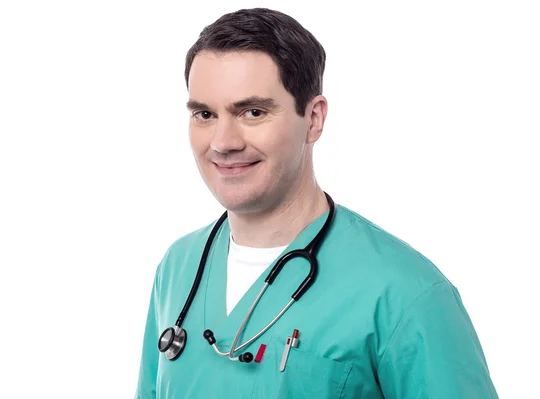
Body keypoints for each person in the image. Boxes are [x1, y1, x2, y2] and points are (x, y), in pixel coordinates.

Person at [135, 7, 499, 399]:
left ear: (313, 118)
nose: (224, 141)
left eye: (252, 112)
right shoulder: (178, 267)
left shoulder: (405, 293)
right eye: (204, 114)